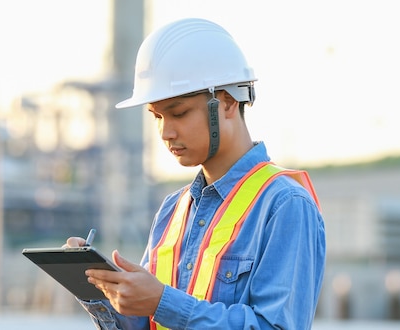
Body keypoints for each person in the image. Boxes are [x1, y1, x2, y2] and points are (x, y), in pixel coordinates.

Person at [65, 17, 326, 329]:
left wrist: (162, 301)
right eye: (157, 117)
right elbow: (151, 322)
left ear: (228, 101)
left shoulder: (285, 205)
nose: (165, 132)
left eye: (178, 113)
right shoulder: (172, 210)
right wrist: (103, 293)